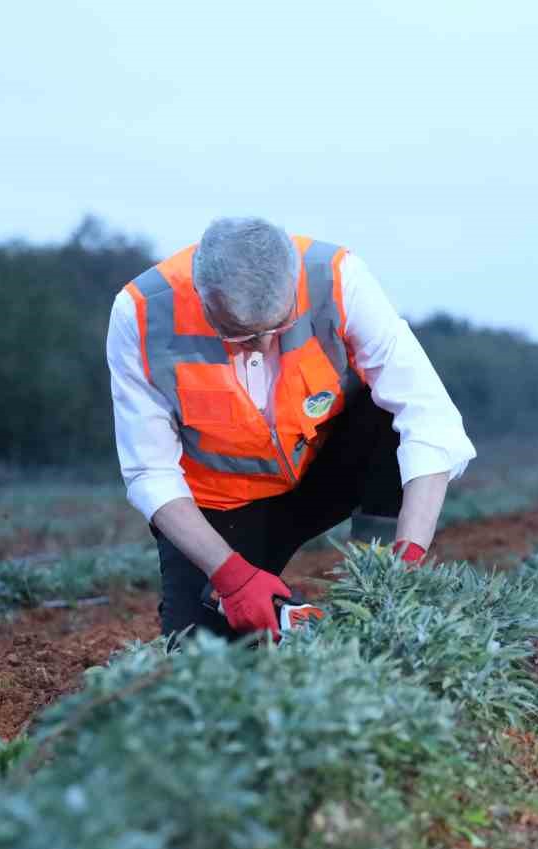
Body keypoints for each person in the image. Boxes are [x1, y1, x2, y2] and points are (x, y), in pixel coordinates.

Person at [107, 217, 476, 640]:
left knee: (388, 414)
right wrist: (231, 575)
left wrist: (407, 558)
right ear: (204, 301)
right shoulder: (140, 315)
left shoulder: (338, 279)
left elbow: (428, 416)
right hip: (223, 508)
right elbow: (150, 472)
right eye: (242, 337)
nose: (265, 345)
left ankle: (376, 585)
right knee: (199, 649)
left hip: (323, 472)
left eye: (279, 328)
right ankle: (288, 614)